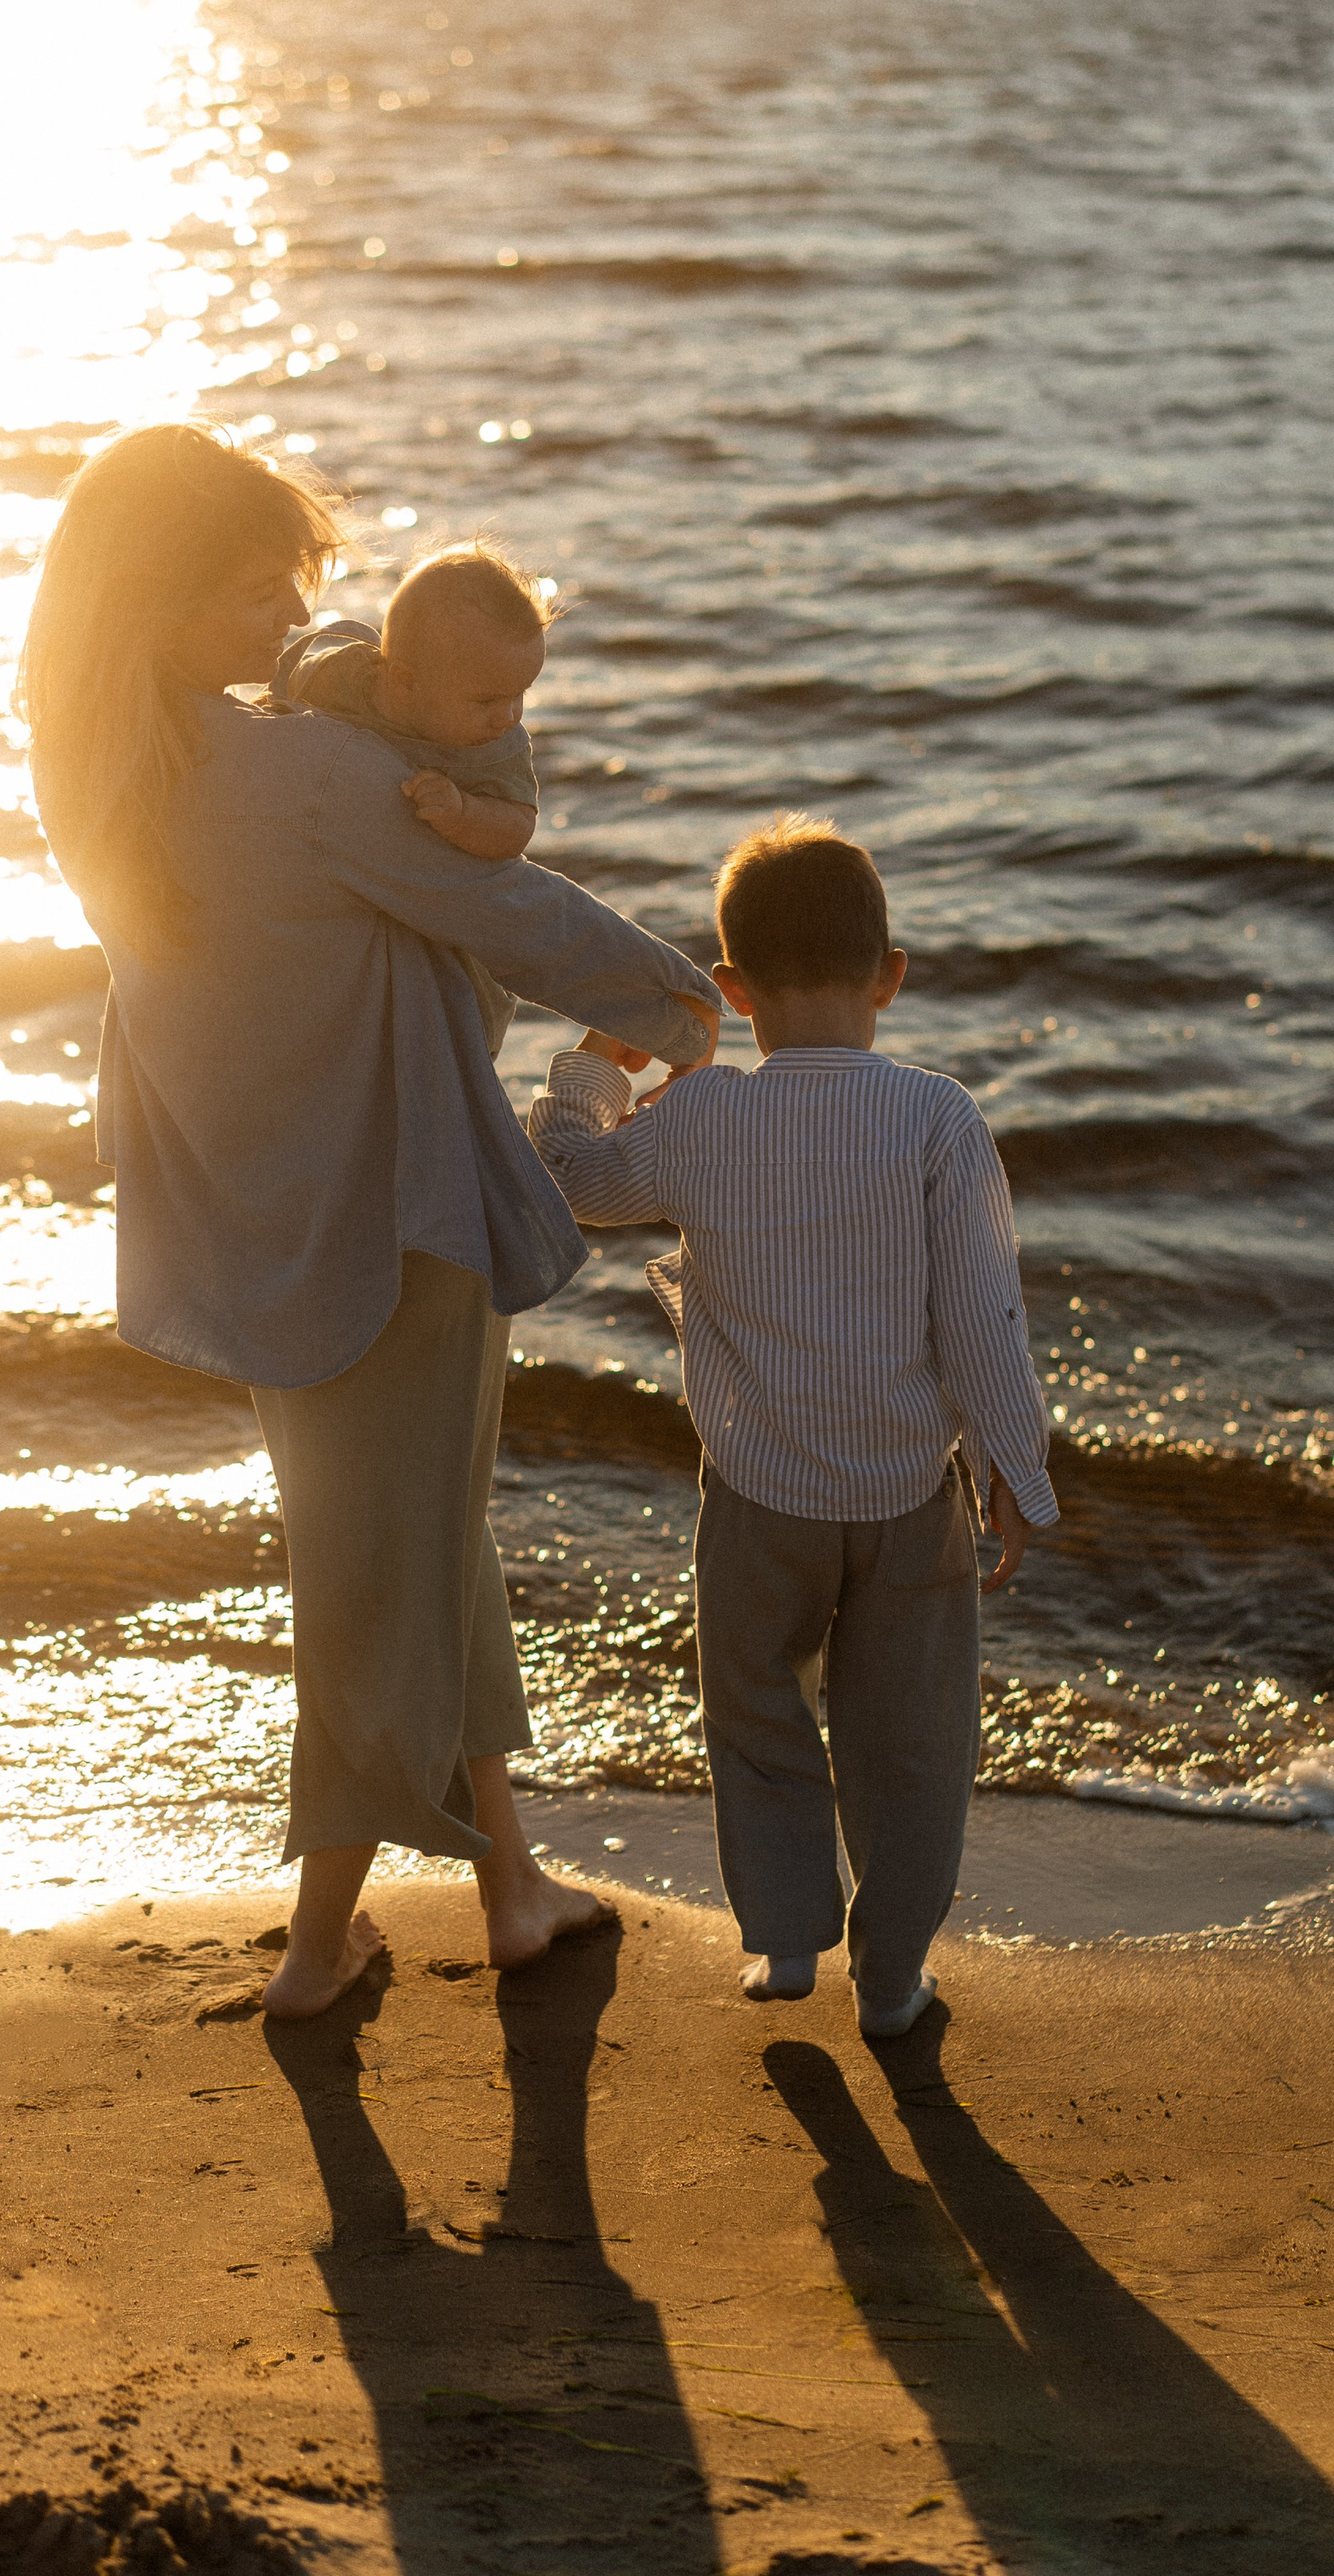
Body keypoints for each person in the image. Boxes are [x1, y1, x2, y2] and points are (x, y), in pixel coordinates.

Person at [16, 422, 718, 2019]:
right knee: (372, 1576)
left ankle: (512, 1885)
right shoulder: (304, 775)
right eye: (257, 594)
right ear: (154, 607)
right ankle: (318, 1948)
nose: (290, 620)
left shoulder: (101, 773)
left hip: (258, 1207)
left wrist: (337, 672)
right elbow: (509, 913)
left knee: (417, 1539)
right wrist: (680, 1005)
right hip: (400, 1215)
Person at [527, 814, 1057, 2039]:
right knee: (912, 1744)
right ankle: (894, 1980)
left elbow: (575, 1179)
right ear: (890, 975)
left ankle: (785, 1945)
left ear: (730, 990)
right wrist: (1013, 1466)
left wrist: (598, 1072)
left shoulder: (707, 1118)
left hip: (760, 1495)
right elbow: (983, 1315)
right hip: (906, 1496)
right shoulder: (938, 1120)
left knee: (758, 1709)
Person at [281, 541, 548, 1055]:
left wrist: (464, 813)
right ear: (402, 682)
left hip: (453, 937)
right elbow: (289, 711)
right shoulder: (340, 680)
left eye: (522, 694)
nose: (509, 715)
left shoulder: (497, 747)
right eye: (488, 700)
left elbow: (518, 826)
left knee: (456, 1025)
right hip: (353, 908)